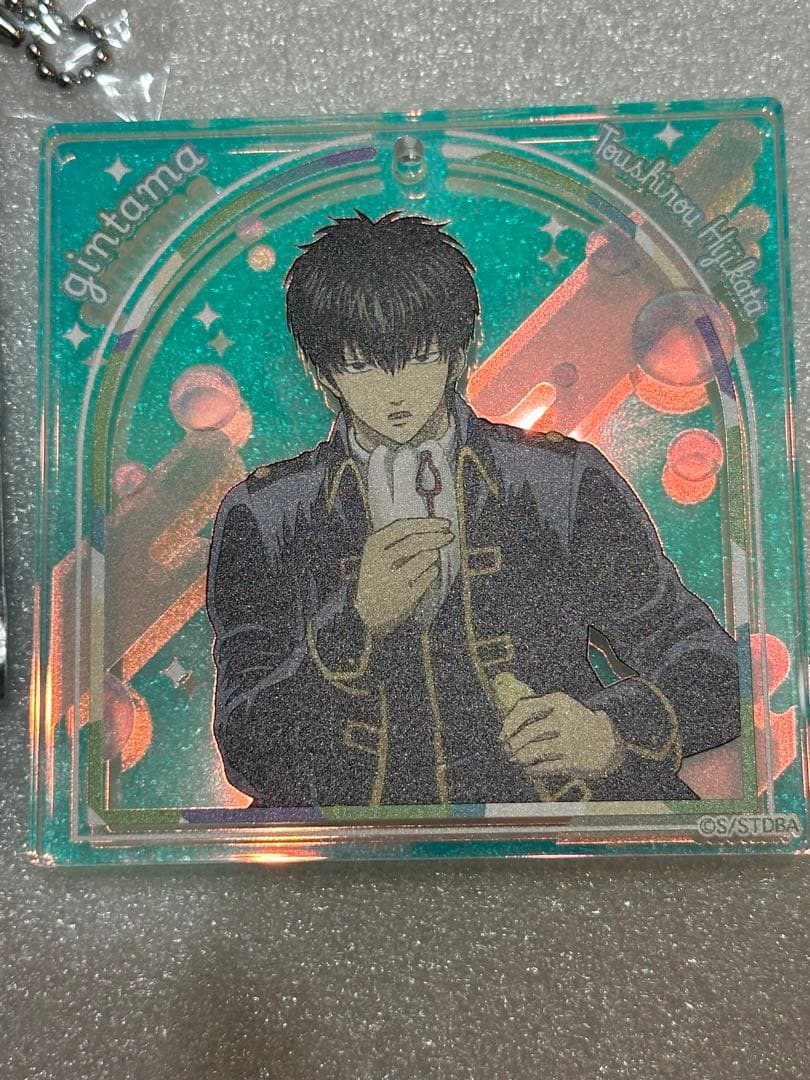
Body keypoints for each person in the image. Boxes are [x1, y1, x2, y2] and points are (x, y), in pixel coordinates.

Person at [206, 210, 740, 807]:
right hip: (352, 848)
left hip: (559, 828)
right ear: (322, 370)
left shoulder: (560, 480)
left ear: (458, 352)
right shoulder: (265, 514)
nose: (395, 391)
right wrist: (353, 625)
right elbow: (247, 753)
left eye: (420, 357)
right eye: (361, 365)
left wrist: (610, 731)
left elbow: (713, 668)